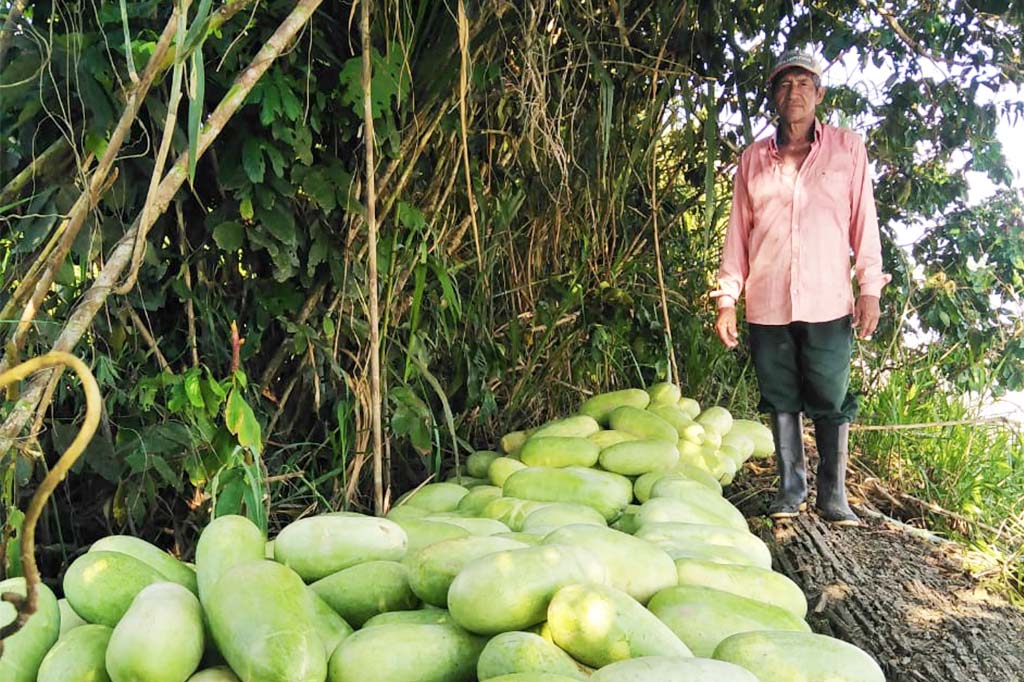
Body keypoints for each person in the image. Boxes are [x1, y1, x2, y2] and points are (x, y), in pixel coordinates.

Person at [711, 49, 889, 526]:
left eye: (804, 84)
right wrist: (727, 298)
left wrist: (869, 287)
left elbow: (863, 223)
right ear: (774, 95)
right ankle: (791, 490)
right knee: (779, 394)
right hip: (767, 301)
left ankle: (834, 496)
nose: (795, 93)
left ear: (819, 93)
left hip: (827, 298)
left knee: (831, 395)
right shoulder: (753, 159)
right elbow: (737, 234)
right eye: (785, 85)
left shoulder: (847, 149)